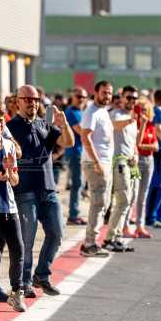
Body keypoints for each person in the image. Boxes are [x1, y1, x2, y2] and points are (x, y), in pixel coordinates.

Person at [8, 85, 74, 297]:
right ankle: (24, 282)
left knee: (57, 233)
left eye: (35, 99)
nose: (32, 103)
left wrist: (64, 125)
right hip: (25, 191)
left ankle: (41, 275)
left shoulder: (44, 124)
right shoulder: (11, 127)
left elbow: (68, 142)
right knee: (27, 241)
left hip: (49, 190)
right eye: (27, 99)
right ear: (18, 101)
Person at [103, 86, 141, 253]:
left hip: (131, 162)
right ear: (122, 98)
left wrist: (136, 155)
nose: (132, 101)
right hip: (119, 162)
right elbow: (113, 126)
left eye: (134, 98)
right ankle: (109, 238)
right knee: (122, 200)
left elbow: (133, 143)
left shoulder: (131, 118)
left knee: (128, 201)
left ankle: (116, 236)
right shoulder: (116, 114)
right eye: (129, 97)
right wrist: (130, 121)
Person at [80, 81, 114, 257]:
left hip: (105, 162)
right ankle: (89, 244)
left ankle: (93, 241)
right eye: (104, 92)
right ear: (96, 92)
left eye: (109, 93)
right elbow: (85, 137)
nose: (107, 96)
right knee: (98, 202)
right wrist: (96, 162)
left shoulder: (103, 111)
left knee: (104, 203)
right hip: (95, 164)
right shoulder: (91, 112)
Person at [0, 109, 26, 311]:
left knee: (18, 250)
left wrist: (8, 172)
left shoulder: (8, 145)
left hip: (9, 207)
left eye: (1, 122)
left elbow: (15, 181)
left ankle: (17, 291)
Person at [133, 96, 158, 238]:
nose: (143, 112)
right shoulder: (135, 124)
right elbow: (136, 143)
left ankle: (140, 226)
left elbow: (156, 146)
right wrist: (141, 125)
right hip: (137, 160)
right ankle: (125, 226)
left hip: (149, 160)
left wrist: (144, 146)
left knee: (143, 195)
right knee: (134, 194)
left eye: (145, 110)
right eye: (141, 109)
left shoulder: (151, 126)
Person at [145, 90, 161, 227]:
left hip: (158, 151)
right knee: (159, 184)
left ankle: (158, 215)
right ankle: (152, 216)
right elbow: (159, 130)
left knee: (160, 184)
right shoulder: (160, 112)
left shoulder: (154, 111)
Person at [65, 88, 89, 225]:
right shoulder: (72, 112)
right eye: (78, 96)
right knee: (77, 184)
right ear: (73, 97)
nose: (81, 99)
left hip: (81, 152)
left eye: (83, 96)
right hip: (75, 153)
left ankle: (75, 213)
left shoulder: (81, 112)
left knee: (79, 184)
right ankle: (73, 215)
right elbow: (80, 131)